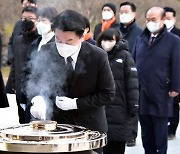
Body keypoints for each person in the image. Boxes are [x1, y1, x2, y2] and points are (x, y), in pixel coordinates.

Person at [27, 10, 115, 154]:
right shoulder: (46, 51)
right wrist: (38, 100)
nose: (62, 45)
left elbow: (108, 93)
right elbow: (35, 81)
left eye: (69, 41)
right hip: (55, 127)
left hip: (88, 128)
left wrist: (76, 103)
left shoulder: (97, 56)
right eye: (58, 39)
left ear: (82, 37)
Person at [132, 6, 180, 154]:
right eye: (147, 20)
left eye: (153, 19)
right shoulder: (140, 39)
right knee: (146, 134)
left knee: (160, 134)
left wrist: (175, 87)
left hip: (161, 92)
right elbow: (133, 63)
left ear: (163, 20)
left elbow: (177, 64)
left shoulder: (173, 40)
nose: (150, 22)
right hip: (142, 93)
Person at [96, 28, 139, 154]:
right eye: (104, 40)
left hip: (119, 107)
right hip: (100, 106)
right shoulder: (96, 55)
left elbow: (132, 84)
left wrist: (133, 106)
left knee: (117, 144)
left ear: (117, 41)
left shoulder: (125, 56)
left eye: (110, 40)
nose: (106, 43)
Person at [6, 6, 39, 124]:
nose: (26, 21)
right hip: (20, 90)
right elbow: (15, 64)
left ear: (38, 20)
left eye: (30, 18)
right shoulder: (18, 40)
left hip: (35, 92)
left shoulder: (41, 40)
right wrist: (14, 84)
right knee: (22, 123)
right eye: (24, 18)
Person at [119, 1, 143, 146]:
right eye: (121, 12)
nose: (123, 15)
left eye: (126, 12)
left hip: (133, 73)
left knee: (131, 104)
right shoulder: (116, 30)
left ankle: (131, 134)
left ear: (134, 14)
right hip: (115, 72)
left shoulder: (140, 33)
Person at [163, 6, 180, 140]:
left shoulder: (178, 35)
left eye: (169, 18)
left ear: (174, 19)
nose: (166, 21)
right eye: (165, 18)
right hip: (161, 75)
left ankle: (172, 129)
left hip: (175, 72)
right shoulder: (157, 36)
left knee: (174, 103)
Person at [7, 0, 38, 65]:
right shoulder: (18, 24)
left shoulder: (41, 28)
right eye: (25, 4)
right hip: (17, 62)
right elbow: (11, 42)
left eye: (30, 3)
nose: (28, 6)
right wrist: (11, 57)